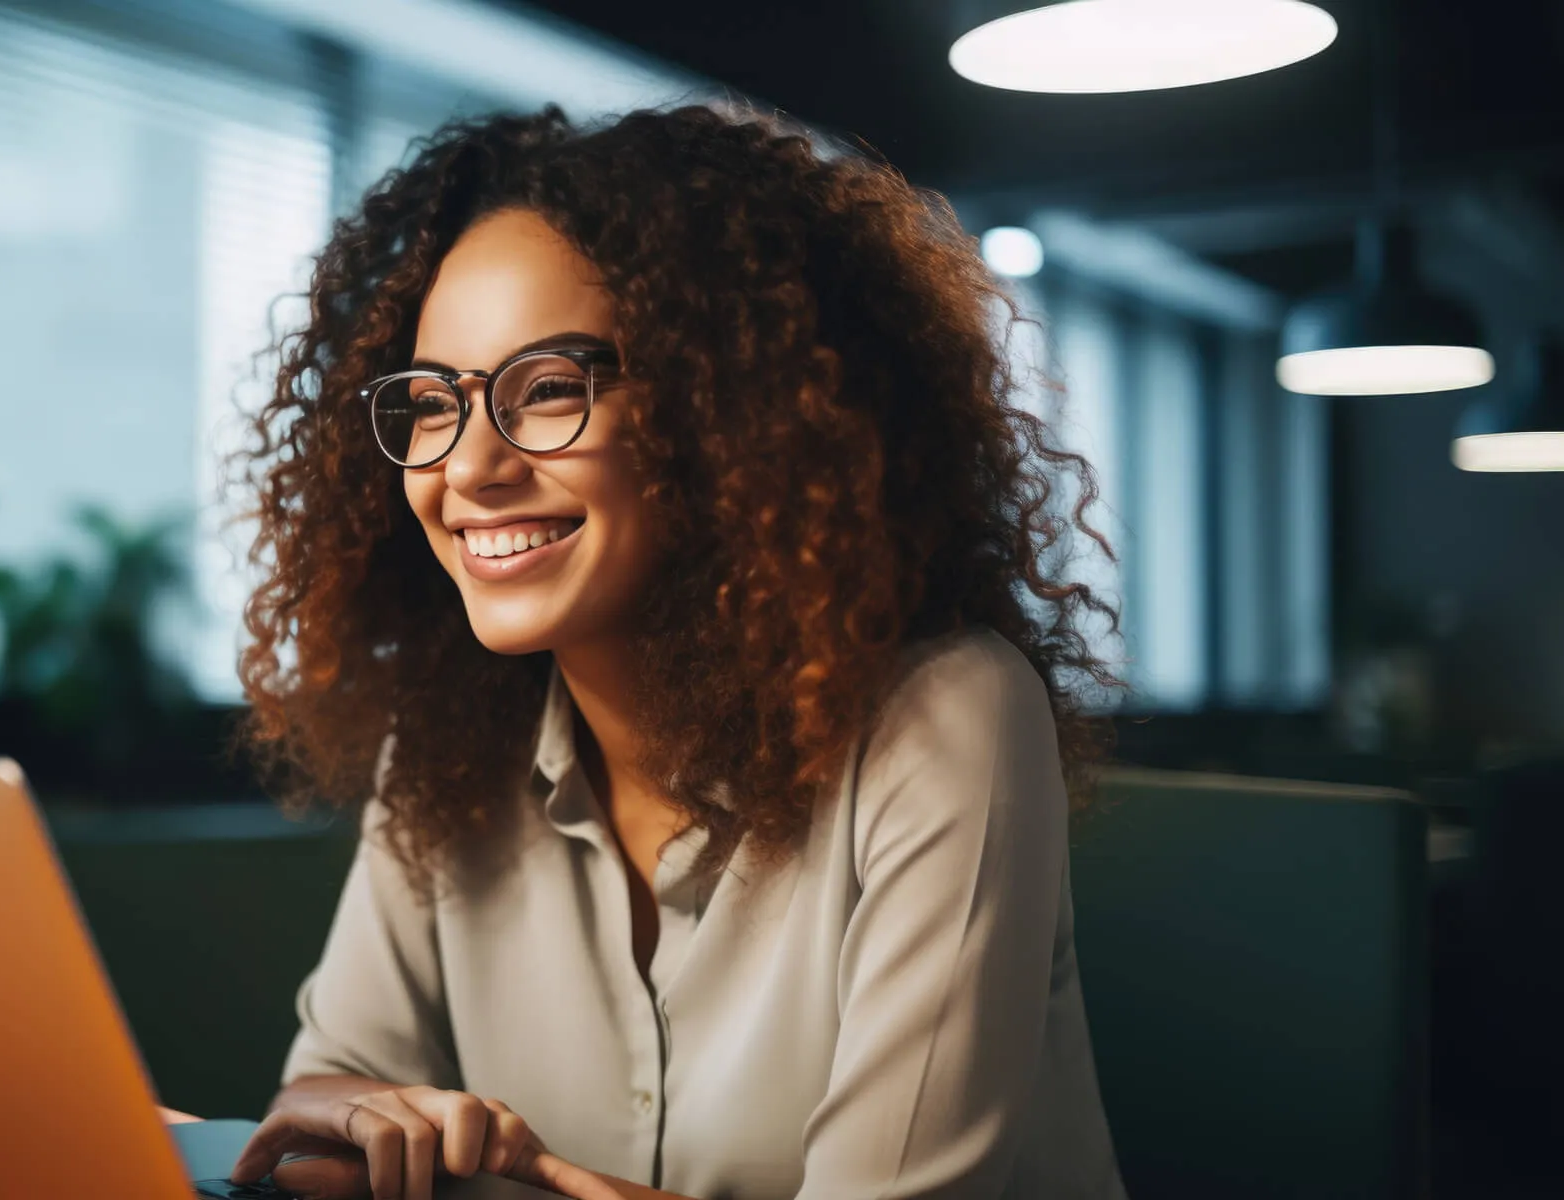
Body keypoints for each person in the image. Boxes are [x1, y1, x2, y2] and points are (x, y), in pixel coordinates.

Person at [226, 104, 1129, 1200]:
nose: (467, 468)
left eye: (548, 388)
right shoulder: (444, 750)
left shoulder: (943, 718)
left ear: (725, 411)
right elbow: (325, 1107)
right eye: (429, 403)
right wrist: (332, 1115)